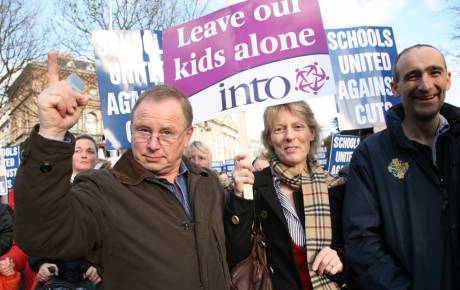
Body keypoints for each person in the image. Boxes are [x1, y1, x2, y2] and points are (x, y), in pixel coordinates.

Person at [14, 52, 231, 290]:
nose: (153, 143)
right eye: (144, 130)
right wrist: (50, 137)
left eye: (167, 133)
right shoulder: (102, 189)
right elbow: (44, 235)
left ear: (187, 135)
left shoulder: (207, 182)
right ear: (130, 129)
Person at [343, 44, 460, 290]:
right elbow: (363, 243)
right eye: (413, 76)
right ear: (394, 87)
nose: (426, 85)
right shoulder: (370, 156)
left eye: (434, 72)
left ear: (448, 79)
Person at [225, 101, 348, 290]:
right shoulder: (253, 187)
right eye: (279, 129)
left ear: (312, 133)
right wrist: (241, 198)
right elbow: (235, 255)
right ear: (269, 139)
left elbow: (361, 247)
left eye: (298, 127)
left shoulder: (337, 187)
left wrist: (341, 257)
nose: (289, 136)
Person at [31, 135, 101, 289]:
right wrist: (41, 263)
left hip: (95, 279)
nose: (84, 155)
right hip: (58, 278)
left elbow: (115, 236)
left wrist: (100, 265)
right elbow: (38, 232)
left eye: (90, 151)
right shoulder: (51, 190)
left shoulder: (109, 191)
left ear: (97, 158)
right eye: (78, 150)